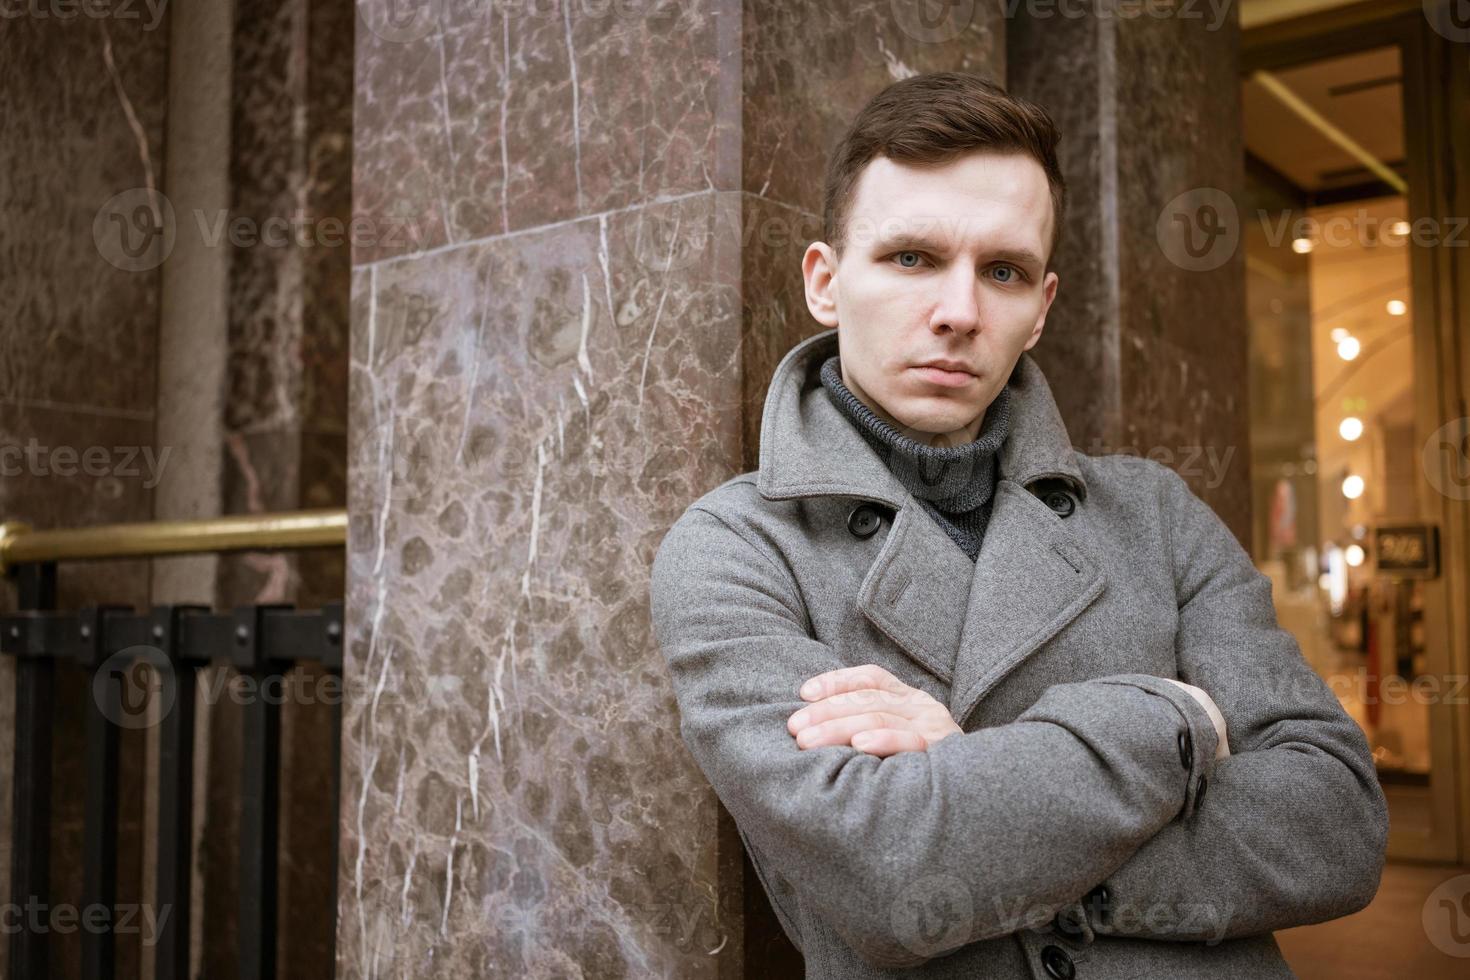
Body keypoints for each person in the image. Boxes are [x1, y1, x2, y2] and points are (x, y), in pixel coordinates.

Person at [649, 71, 1387, 979]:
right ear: (825, 283)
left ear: (1040, 309)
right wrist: (1179, 718)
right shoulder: (736, 546)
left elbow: (1338, 824)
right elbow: (892, 876)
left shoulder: (1156, 514)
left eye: (1002, 271)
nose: (959, 311)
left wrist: (978, 789)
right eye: (911, 258)